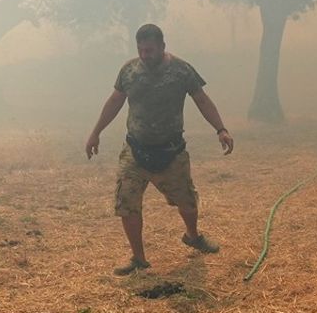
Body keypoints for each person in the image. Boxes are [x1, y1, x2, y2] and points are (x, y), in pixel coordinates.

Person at [84, 24, 234, 275]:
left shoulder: (181, 71)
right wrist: (95, 132)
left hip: (171, 151)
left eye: (150, 50)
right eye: (141, 50)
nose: (145, 55)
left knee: (187, 202)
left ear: (162, 46)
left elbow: (202, 100)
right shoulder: (129, 71)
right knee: (126, 202)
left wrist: (221, 129)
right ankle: (138, 259)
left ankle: (193, 236)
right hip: (135, 150)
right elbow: (114, 102)